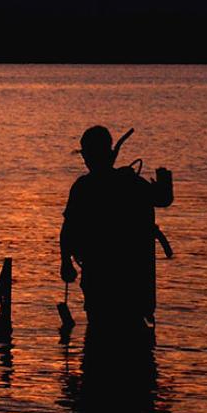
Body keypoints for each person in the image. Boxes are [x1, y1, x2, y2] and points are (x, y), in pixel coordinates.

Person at [59, 125, 173, 337]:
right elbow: (162, 199)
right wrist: (66, 262)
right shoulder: (128, 184)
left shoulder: (87, 187)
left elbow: (68, 230)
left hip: (113, 284)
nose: (86, 160)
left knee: (102, 339)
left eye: (88, 155)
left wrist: (66, 262)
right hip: (125, 285)